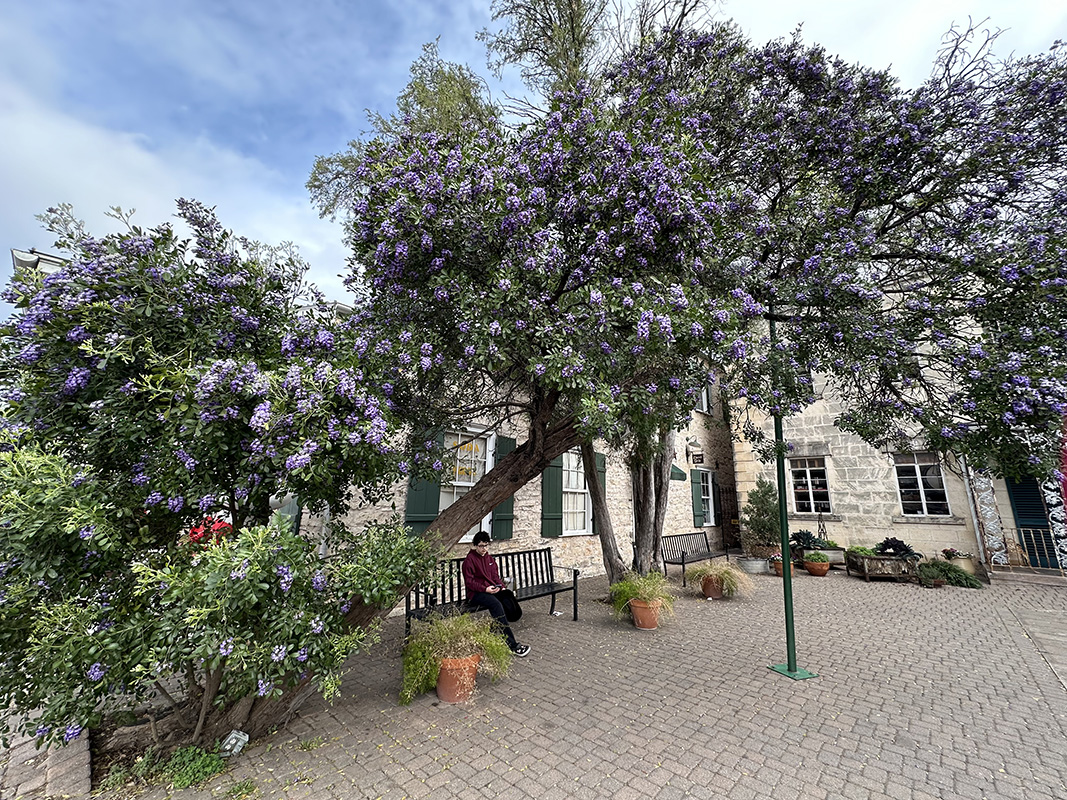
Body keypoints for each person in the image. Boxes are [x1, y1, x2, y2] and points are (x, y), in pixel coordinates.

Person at [461, 531, 531, 657]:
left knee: (507, 596)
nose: (484, 549)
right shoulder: (469, 560)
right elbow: (469, 582)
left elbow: (495, 576)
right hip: (476, 594)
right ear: (476, 546)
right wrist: (485, 589)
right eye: (481, 546)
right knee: (496, 604)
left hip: (490, 590)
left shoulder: (489, 559)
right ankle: (512, 645)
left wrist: (502, 587)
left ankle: (498, 626)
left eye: (486, 545)